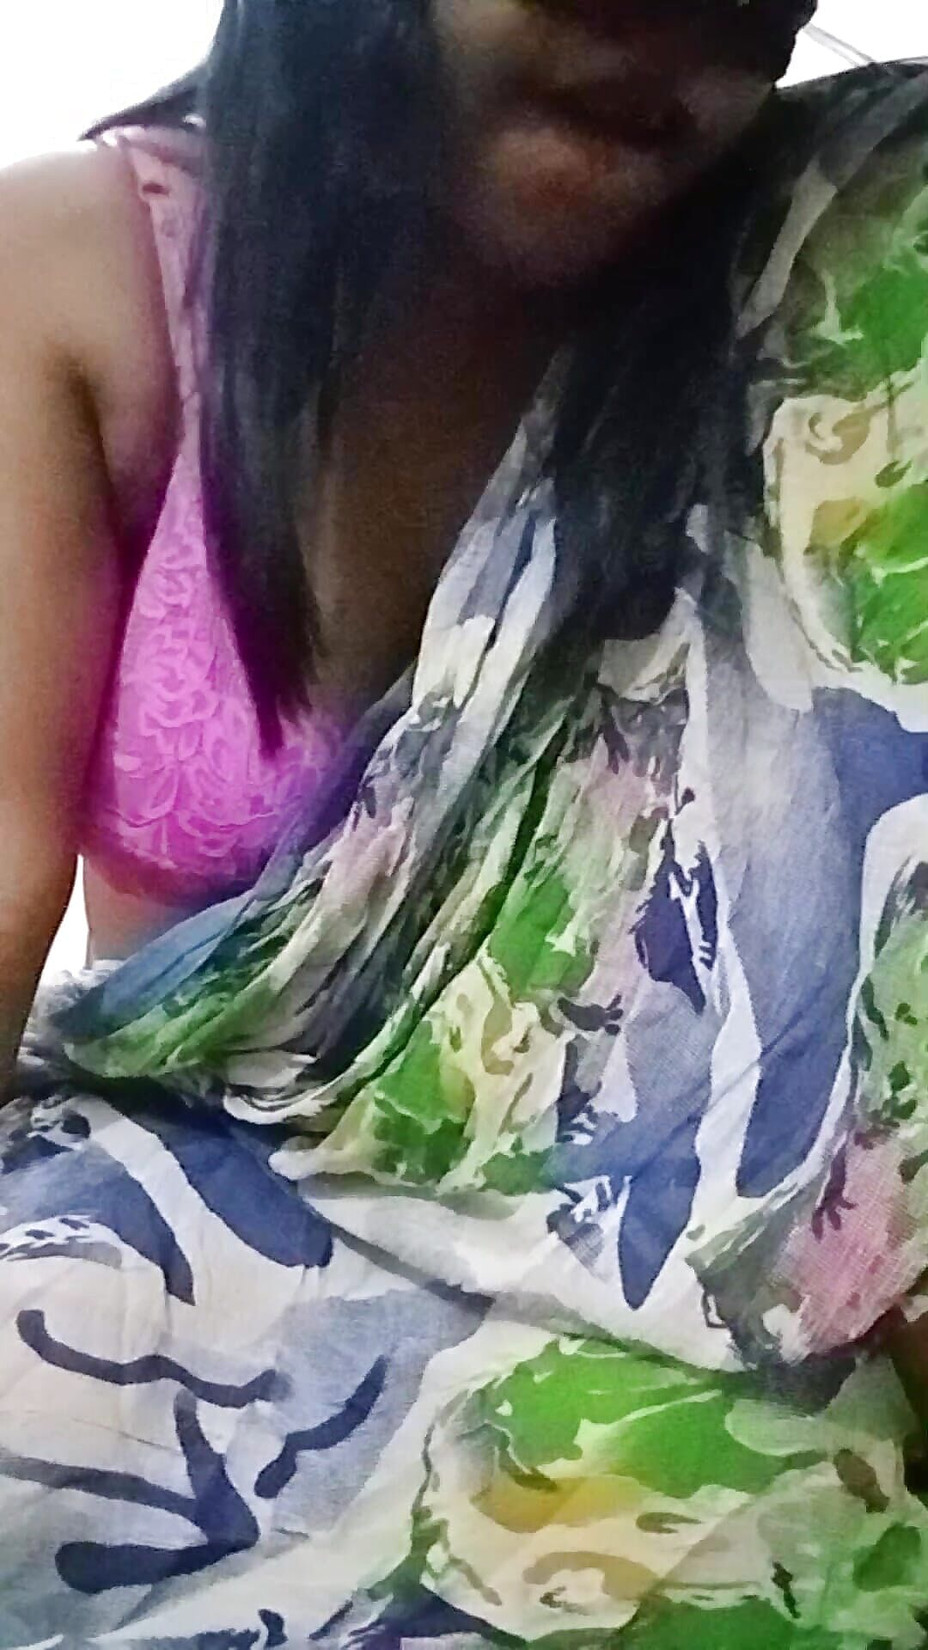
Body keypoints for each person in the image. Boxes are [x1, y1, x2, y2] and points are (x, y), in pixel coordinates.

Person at [0, 0, 926, 1638]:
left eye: (748, 10)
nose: (670, 58)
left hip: (652, 1293)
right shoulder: (90, 272)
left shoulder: (825, 299)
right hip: (181, 1204)